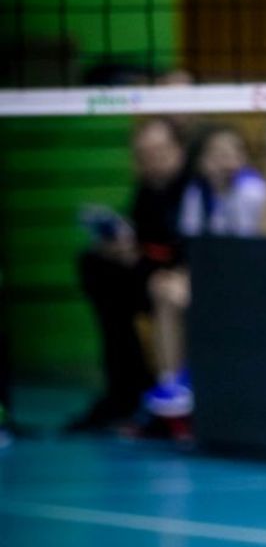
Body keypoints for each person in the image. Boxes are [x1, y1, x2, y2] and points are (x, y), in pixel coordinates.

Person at [68, 116, 188, 432]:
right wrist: (124, 248)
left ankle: (168, 401)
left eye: (160, 151)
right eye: (144, 155)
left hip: (188, 278)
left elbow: (188, 249)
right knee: (96, 267)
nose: (153, 161)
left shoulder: (192, 188)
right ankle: (128, 394)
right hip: (155, 276)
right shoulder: (147, 190)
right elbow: (145, 238)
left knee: (162, 289)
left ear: (179, 149)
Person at [142, 125, 266, 421]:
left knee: (180, 295)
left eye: (234, 152)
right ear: (201, 161)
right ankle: (173, 382)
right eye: (218, 154)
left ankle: (185, 376)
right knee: (163, 286)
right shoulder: (198, 192)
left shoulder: (251, 191)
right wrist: (185, 278)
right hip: (215, 279)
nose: (227, 160)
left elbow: (252, 255)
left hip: (252, 283)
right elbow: (196, 249)